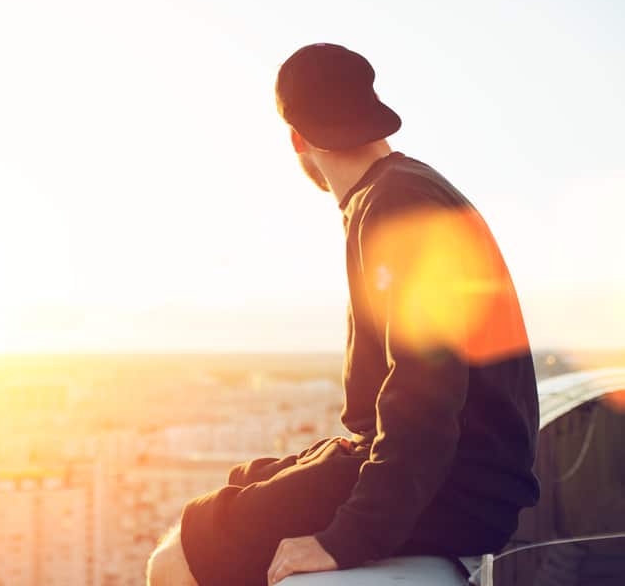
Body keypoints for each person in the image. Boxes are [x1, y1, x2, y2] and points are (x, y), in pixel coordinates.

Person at [146, 43, 541, 586]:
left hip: (454, 490)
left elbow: (426, 389)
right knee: (241, 483)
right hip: (458, 478)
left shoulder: (398, 203)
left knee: (177, 559)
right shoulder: (402, 190)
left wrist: (350, 537)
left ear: (296, 139)